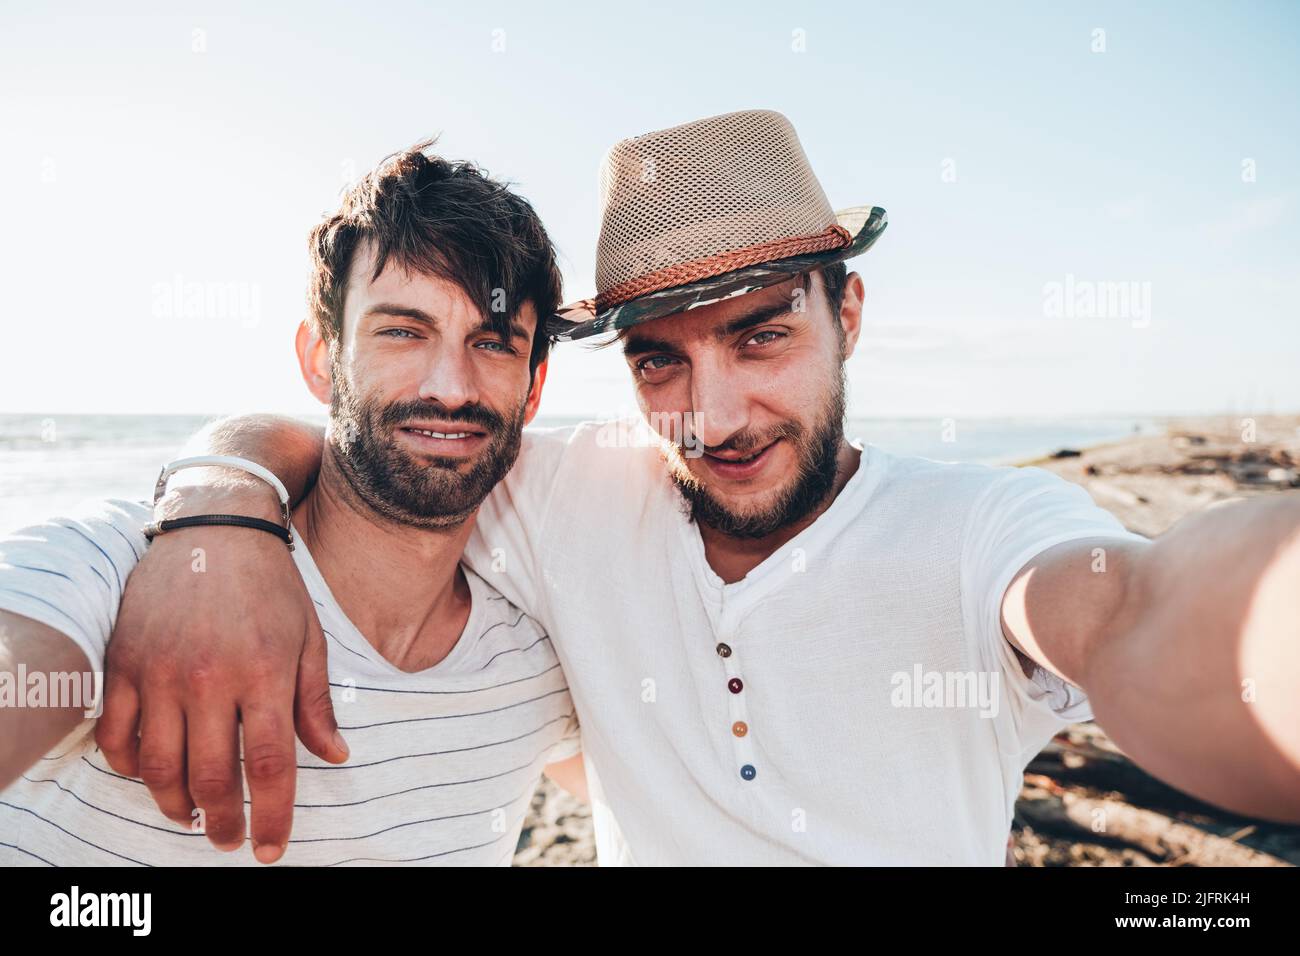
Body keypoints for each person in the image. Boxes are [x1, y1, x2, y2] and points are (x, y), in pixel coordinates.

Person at [32, 110, 1300, 865]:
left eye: (761, 335)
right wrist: (217, 510)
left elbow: (1140, 607)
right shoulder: (566, 496)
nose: (714, 410)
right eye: (659, 358)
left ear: (845, 311)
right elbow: (368, 438)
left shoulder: (979, 528)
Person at [0, 142, 585, 865]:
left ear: (533, 387)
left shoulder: (535, 664)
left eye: (493, 343)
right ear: (320, 359)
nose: (452, 386)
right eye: (404, 331)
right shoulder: (137, 570)